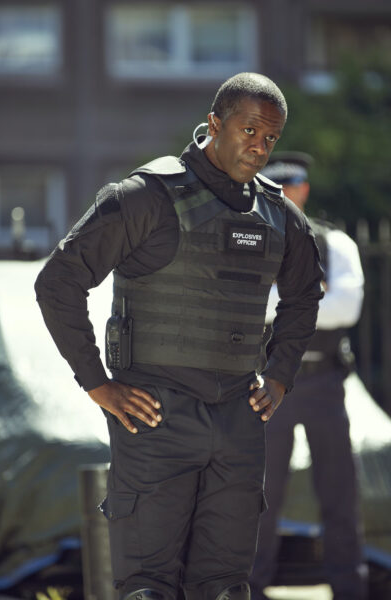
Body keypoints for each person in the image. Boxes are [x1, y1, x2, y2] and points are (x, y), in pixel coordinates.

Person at [35, 73, 323, 600]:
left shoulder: (279, 215)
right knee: (148, 589)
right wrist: (97, 383)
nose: (259, 148)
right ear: (215, 123)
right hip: (156, 416)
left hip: (238, 419)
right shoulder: (145, 197)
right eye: (249, 130)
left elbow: (305, 296)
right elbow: (57, 282)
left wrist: (280, 375)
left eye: (270, 138)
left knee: (225, 588)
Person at [249, 152, 367, 600]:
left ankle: (349, 588)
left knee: (340, 493)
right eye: (274, 187)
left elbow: (347, 309)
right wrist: (313, 295)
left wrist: (280, 298)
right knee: (261, 494)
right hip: (266, 385)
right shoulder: (250, 239)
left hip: (324, 384)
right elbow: (246, 307)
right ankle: (252, 587)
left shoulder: (335, 243)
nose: (285, 194)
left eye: (291, 185)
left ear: (305, 189)